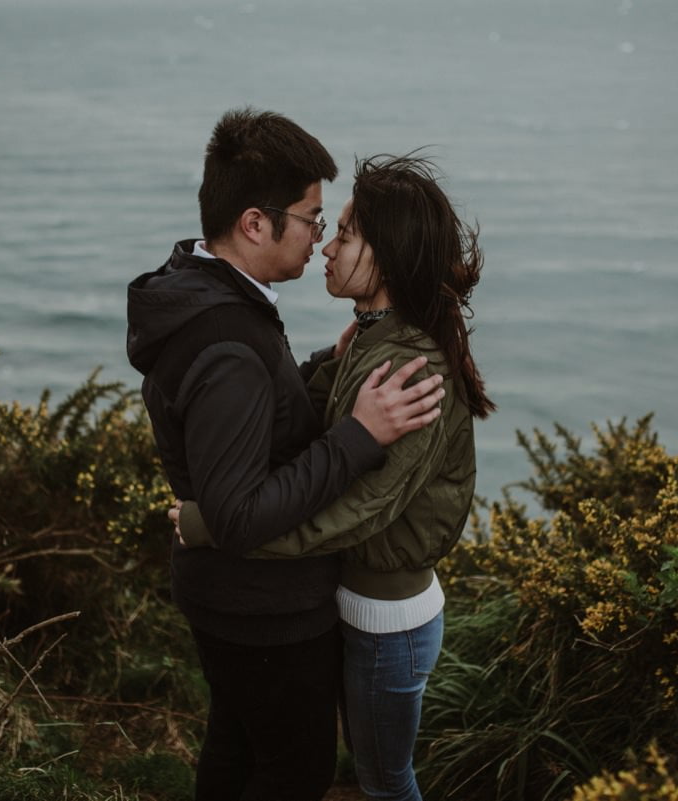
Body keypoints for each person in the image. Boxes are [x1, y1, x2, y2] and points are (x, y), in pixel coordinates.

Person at [125, 110, 445, 801]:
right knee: (294, 770)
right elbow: (241, 515)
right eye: (310, 219)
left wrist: (315, 370)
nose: (319, 238)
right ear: (253, 223)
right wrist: (358, 435)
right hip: (264, 610)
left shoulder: (197, 289)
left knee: (236, 746)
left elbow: (245, 417)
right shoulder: (231, 343)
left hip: (226, 600)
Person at [173, 153, 494, 801]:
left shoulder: (411, 369)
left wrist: (216, 526)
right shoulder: (379, 335)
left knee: (383, 781)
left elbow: (355, 511)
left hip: (387, 619)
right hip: (360, 604)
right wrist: (329, 360)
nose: (325, 245)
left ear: (390, 254)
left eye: (346, 233)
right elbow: (323, 425)